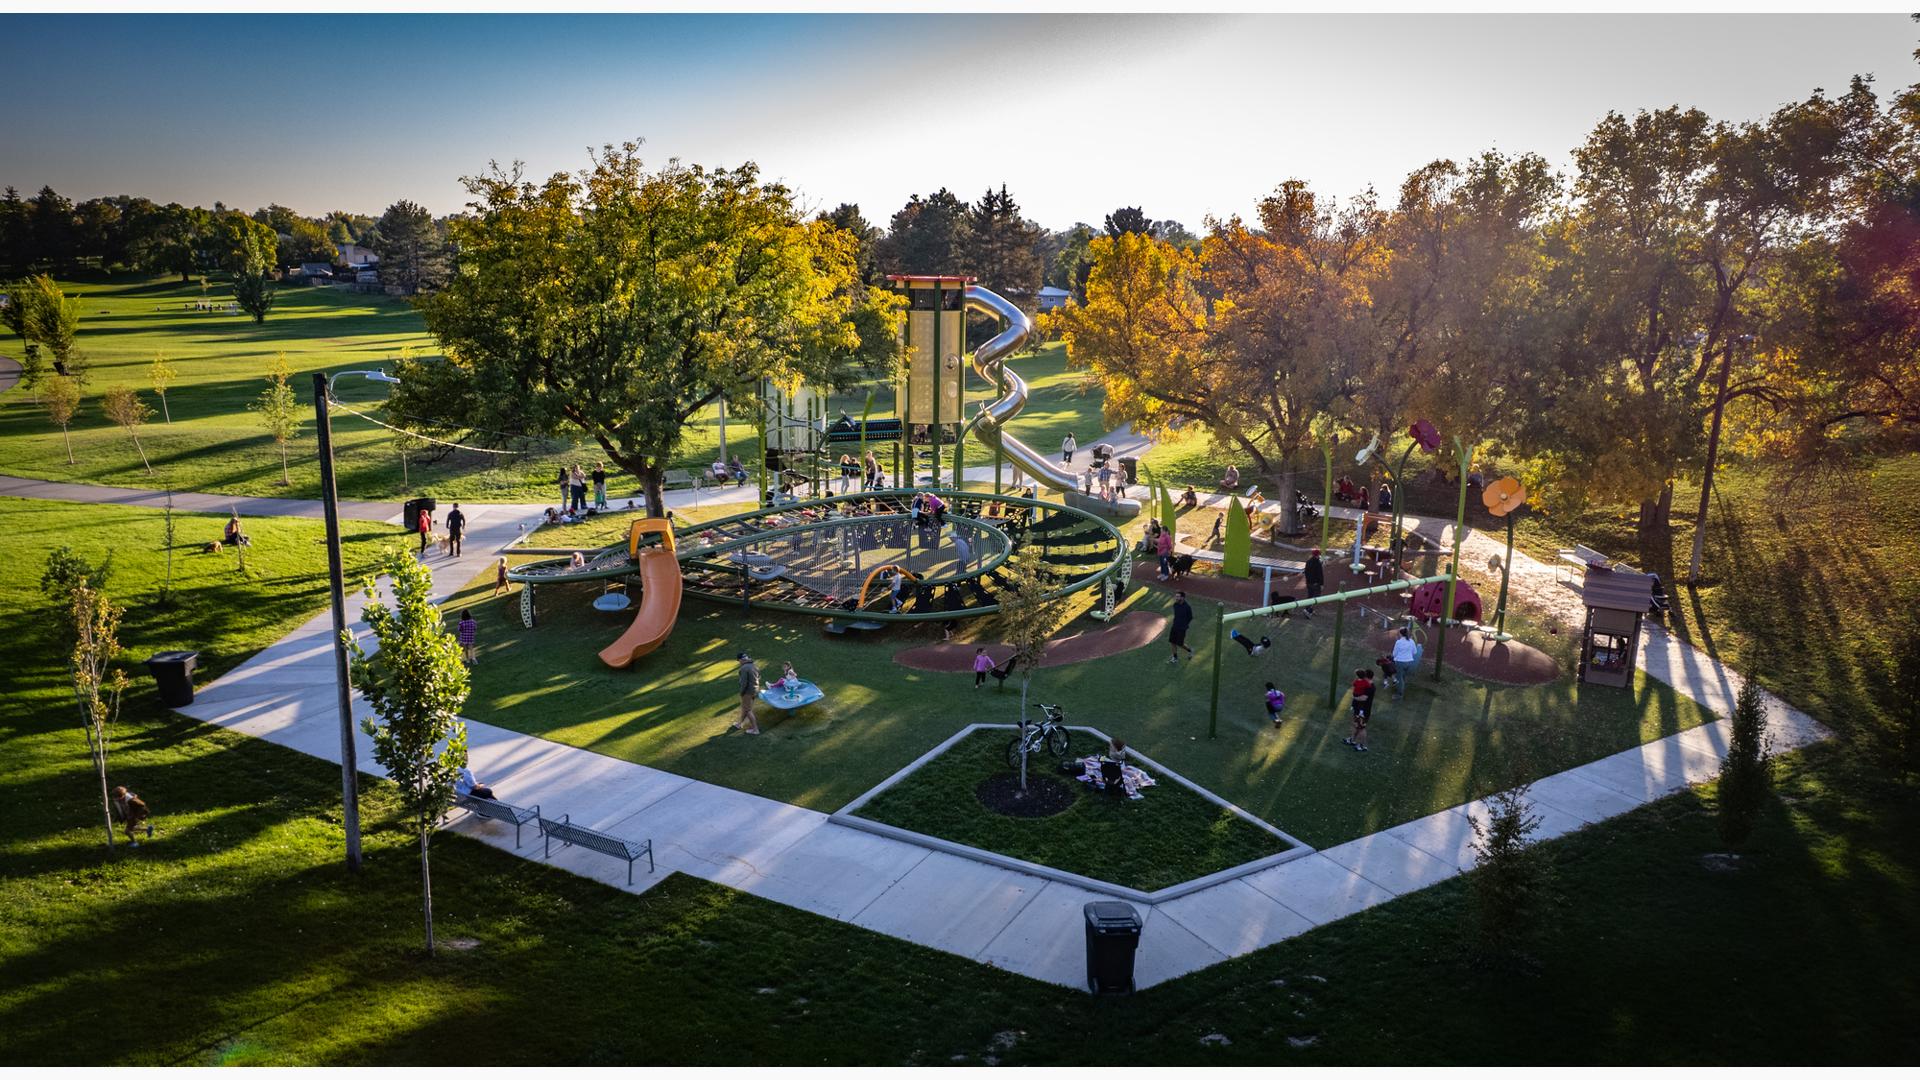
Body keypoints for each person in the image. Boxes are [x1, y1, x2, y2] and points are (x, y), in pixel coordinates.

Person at [733, 652, 762, 734]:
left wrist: (741, 692)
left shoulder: (744, 668)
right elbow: (759, 676)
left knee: (748, 710)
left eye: (739, 661)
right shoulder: (754, 665)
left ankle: (755, 730)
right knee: (745, 708)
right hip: (755, 690)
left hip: (747, 691)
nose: (739, 663)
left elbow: (743, 683)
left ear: (741, 660)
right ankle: (739, 724)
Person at [1345, 668, 1374, 751]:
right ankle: (1352, 740)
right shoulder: (1367, 684)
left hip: (1363, 711)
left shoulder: (1370, 687)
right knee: (1356, 725)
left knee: (1361, 728)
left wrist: (1354, 697)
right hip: (1359, 709)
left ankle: (1362, 746)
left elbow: (1363, 698)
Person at [1389, 628, 1419, 698]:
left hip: (1400, 662)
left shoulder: (1398, 642)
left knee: (1399, 678)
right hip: (1409, 662)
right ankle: (1401, 687)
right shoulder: (1411, 641)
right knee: (1403, 676)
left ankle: (1399, 694)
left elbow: (1394, 654)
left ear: (1400, 634)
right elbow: (1415, 652)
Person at [1168, 591, 1194, 664]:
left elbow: (1190, 617)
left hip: (1182, 628)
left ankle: (1190, 650)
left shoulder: (1187, 607)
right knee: (1172, 642)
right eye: (1176, 596)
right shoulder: (1175, 605)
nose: (1176, 598)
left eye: (1178, 596)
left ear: (1182, 598)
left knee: (1180, 643)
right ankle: (1175, 657)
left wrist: (1184, 624)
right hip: (1175, 626)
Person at [1303, 548, 1325, 619]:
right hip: (1316, 583)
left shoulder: (1308, 561)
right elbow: (1320, 574)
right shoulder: (1318, 563)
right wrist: (1321, 584)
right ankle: (1308, 610)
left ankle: (1309, 609)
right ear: (1318, 555)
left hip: (1309, 583)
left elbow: (1306, 572)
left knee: (1310, 596)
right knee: (1316, 597)